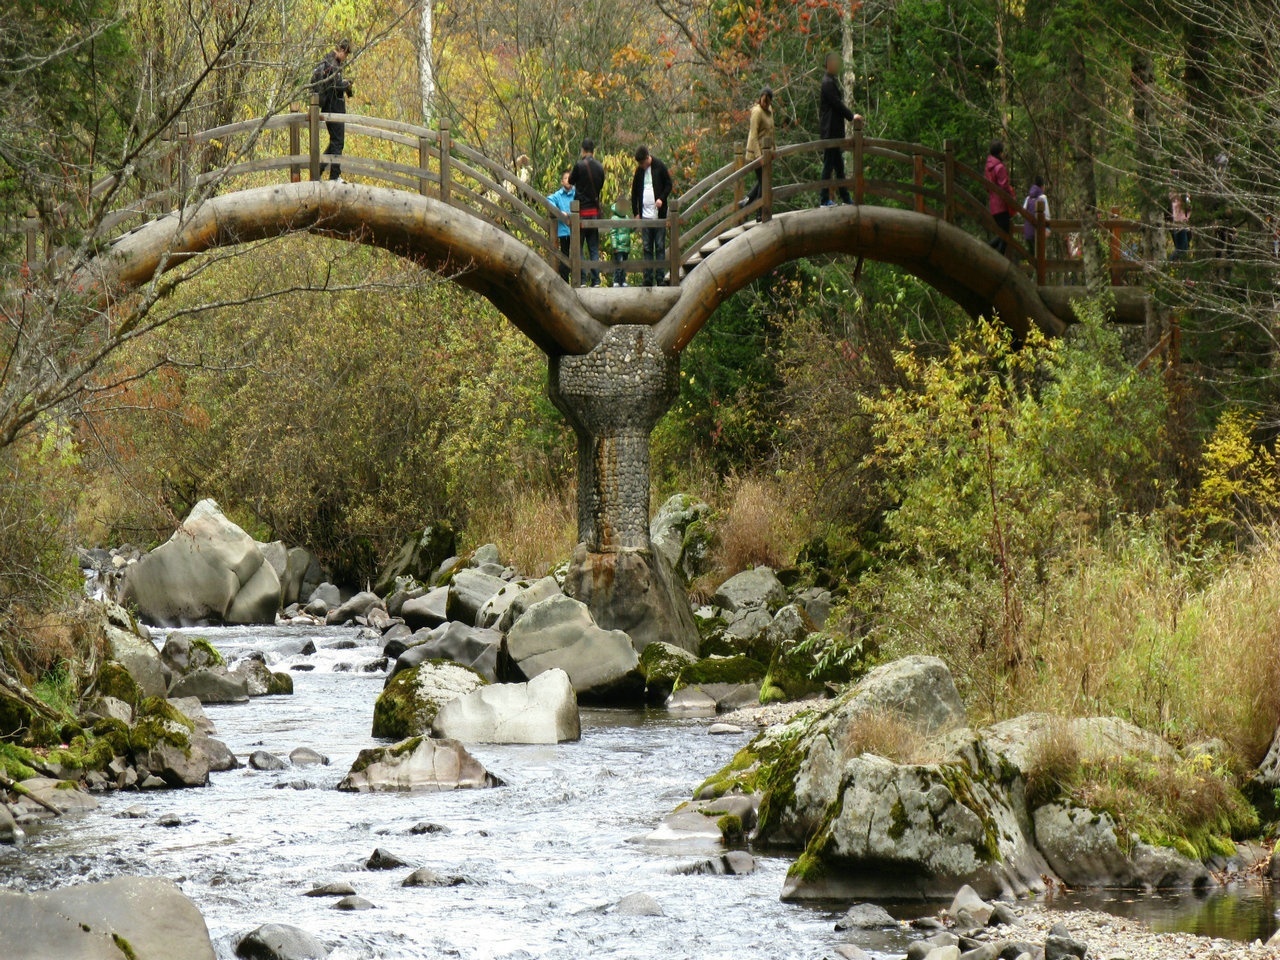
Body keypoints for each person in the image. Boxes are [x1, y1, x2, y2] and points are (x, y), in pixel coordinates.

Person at [631, 145, 673, 287]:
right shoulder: (639, 172)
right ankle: (647, 278)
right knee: (647, 248)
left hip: (658, 215)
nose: (642, 166)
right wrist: (636, 212)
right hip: (645, 217)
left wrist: (661, 198)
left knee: (660, 247)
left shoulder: (659, 166)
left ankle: (660, 278)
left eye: (642, 163)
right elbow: (634, 193)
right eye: (640, 164)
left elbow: (669, 184)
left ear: (648, 157)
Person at [312, 39, 353, 183]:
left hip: (332, 107)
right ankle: (334, 177)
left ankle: (318, 170)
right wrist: (346, 84)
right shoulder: (332, 64)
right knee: (338, 142)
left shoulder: (329, 62)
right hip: (333, 108)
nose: (345, 58)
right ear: (342, 50)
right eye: (346, 54)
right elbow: (334, 87)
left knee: (335, 142)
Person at [569, 138, 607, 286]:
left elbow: (571, 180)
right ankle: (596, 280)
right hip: (594, 213)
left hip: (581, 212)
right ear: (593, 150)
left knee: (578, 248)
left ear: (583, 150)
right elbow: (601, 184)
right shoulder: (599, 167)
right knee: (593, 249)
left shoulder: (579, 165)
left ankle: (582, 279)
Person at [819, 52, 855, 206]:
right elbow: (836, 104)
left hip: (833, 131)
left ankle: (846, 198)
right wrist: (852, 117)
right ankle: (823, 199)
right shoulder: (827, 82)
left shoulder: (831, 81)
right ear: (828, 65)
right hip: (830, 131)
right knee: (829, 166)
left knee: (839, 166)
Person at [741, 87, 775, 211]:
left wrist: (774, 149)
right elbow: (753, 135)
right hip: (756, 153)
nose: (765, 104)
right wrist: (758, 156)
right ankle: (760, 212)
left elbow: (772, 130)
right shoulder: (757, 112)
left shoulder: (770, 110)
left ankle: (747, 200)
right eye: (763, 101)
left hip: (766, 151)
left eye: (767, 102)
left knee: (764, 181)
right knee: (764, 181)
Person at [985, 140, 1015, 255]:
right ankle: (991, 252)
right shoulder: (999, 167)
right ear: (999, 152)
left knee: (1003, 234)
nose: (1003, 154)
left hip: (993, 205)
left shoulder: (988, 168)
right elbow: (1004, 186)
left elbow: (987, 186)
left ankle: (991, 252)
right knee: (1005, 235)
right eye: (1002, 152)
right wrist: (1011, 197)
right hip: (1001, 205)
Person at [547, 169, 575, 282]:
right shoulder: (558, 195)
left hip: (576, 231)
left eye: (570, 178)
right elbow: (548, 200)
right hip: (564, 231)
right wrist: (559, 212)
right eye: (565, 178)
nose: (568, 180)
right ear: (562, 182)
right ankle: (564, 281)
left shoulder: (576, 193)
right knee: (564, 256)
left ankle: (579, 281)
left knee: (577, 256)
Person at [1022, 176, 1050, 261]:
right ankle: (1037, 274)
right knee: (1040, 258)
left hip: (1028, 233)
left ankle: (1029, 274)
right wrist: (1048, 229)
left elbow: (1022, 212)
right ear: (1042, 186)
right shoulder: (1043, 198)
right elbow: (1047, 215)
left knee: (1031, 257)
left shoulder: (1028, 198)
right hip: (1038, 233)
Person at [608, 200, 633, 287]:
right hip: (618, 246)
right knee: (619, 263)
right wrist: (614, 245)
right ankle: (616, 281)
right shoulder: (614, 219)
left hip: (626, 245)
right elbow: (613, 233)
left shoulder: (627, 217)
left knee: (624, 264)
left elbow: (630, 229)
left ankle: (623, 280)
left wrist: (636, 225)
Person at [1170, 187, 1190, 260]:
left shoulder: (1186, 198)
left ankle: (1180, 266)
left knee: (1185, 248)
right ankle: (1169, 263)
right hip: (1179, 224)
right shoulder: (1175, 198)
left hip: (1185, 225)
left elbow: (1188, 208)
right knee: (1180, 249)